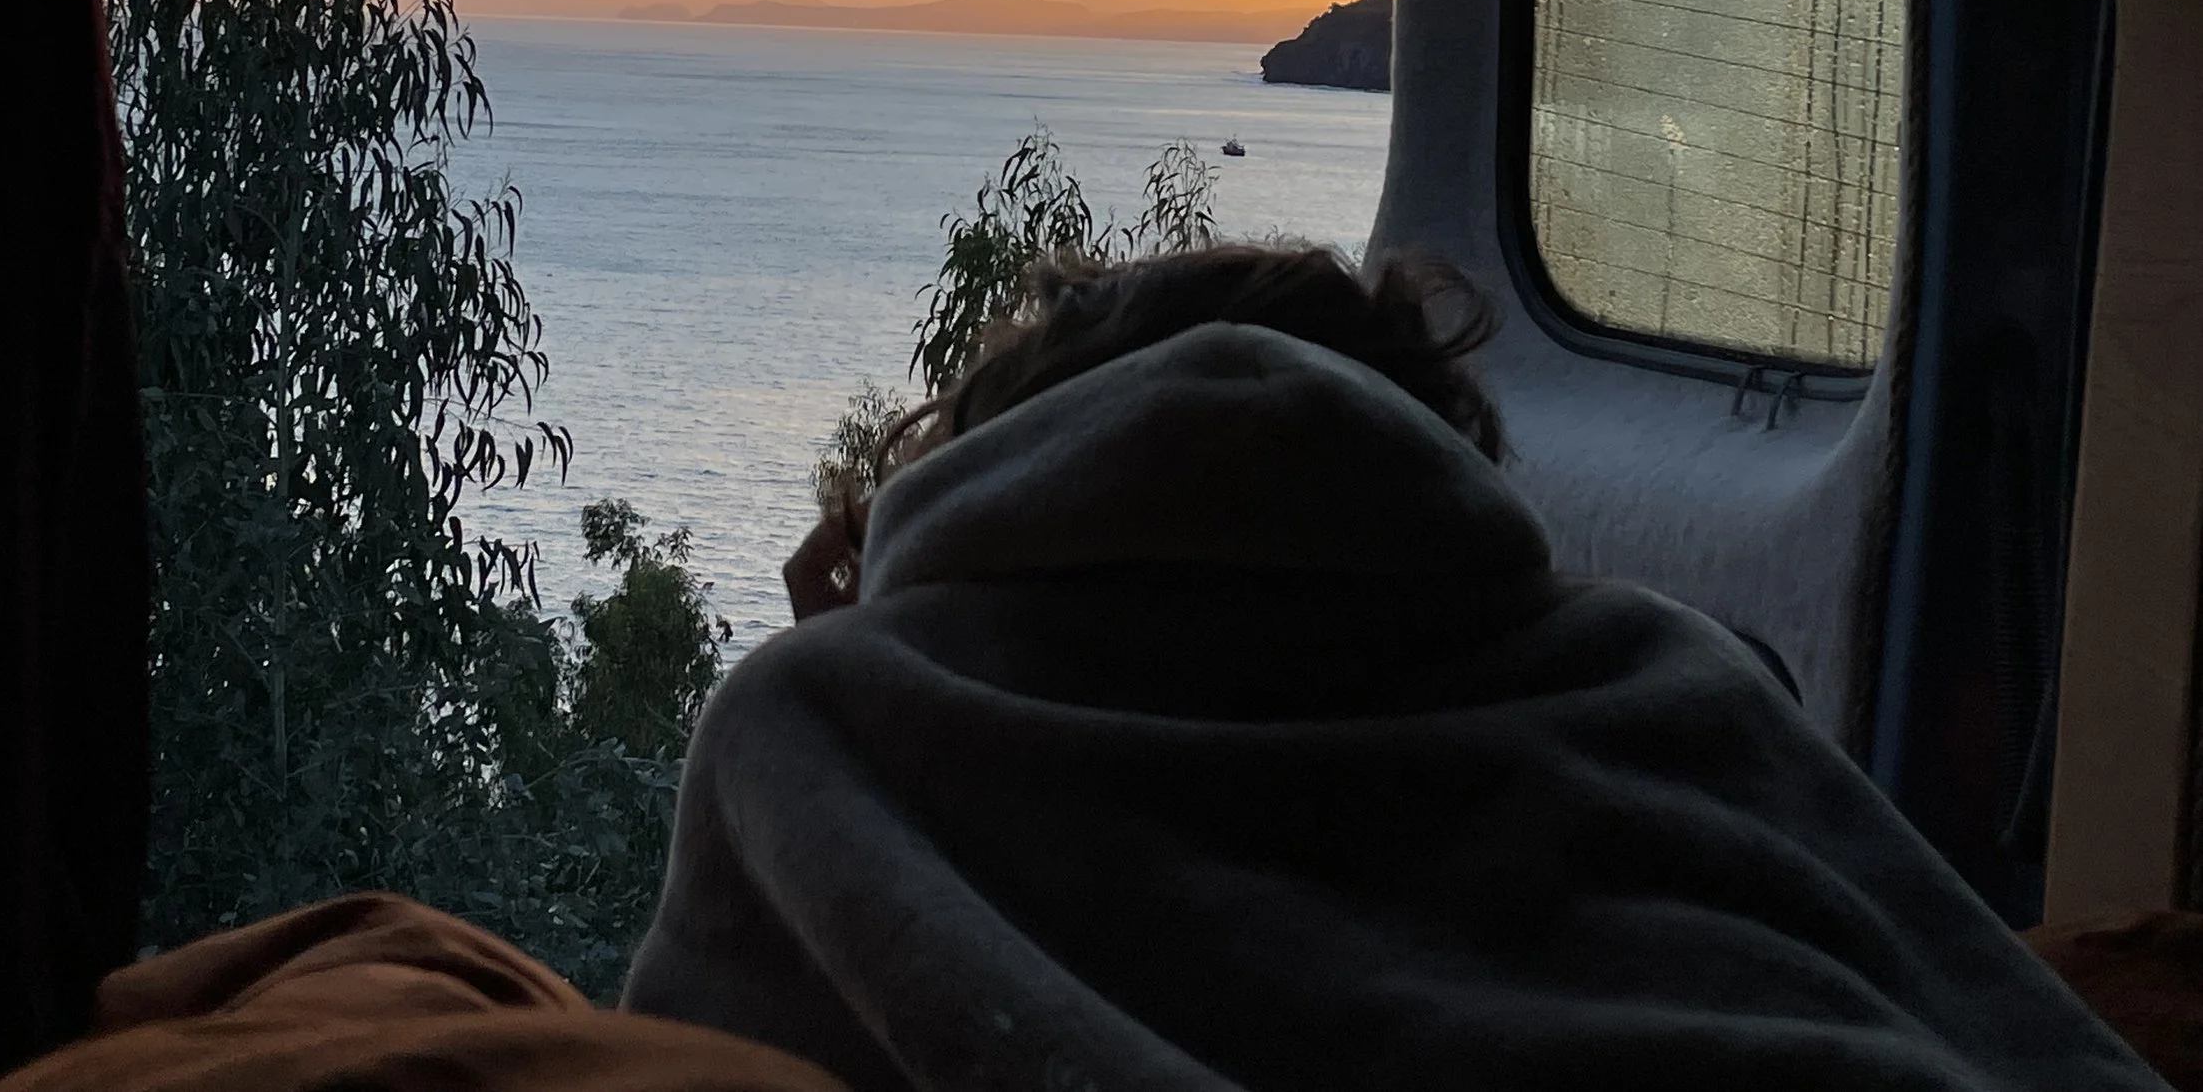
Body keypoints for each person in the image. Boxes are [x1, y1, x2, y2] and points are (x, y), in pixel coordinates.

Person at [622, 243, 2166, 1091]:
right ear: (1429, 457)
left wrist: (857, 639)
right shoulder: (1660, 665)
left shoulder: (818, 721)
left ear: (1003, 452)